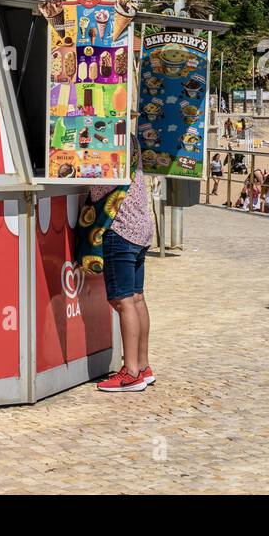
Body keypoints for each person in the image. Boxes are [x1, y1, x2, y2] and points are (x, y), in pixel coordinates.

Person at [88, 141, 156, 393]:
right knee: (137, 299)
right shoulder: (130, 139)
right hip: (141, 228)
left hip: (121, 229)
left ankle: (130, 373)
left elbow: (98, 191)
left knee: (123, 301)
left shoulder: (107, 142)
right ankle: (143, 366)